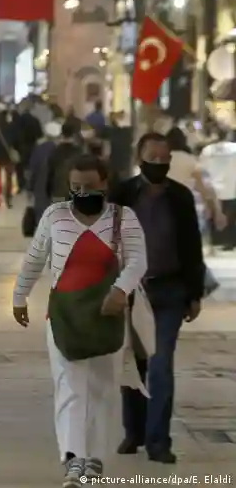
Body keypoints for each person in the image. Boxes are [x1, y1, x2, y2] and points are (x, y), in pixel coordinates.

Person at [12, 154, 147, 487]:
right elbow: (35, 257)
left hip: (107, 317)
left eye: (89, 186)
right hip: (64, 316)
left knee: (103, 389)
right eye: (76, 186)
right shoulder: (55, 215)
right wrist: (19, 295)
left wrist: (121, 289)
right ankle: (73, 460)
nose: (82, 192)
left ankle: (96, 458)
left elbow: (138, 260)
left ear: (105, 183)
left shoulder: (123, 218)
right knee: (69, 389)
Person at [111, 132, 204, 464]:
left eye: (165, 159)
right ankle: (134, 431)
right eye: (153, 158)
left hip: (170, 291)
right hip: (132, 291)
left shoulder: (179, 197)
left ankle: (158, 441)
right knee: (133, 364)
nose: (160, 164)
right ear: (140, 158)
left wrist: (194, 292)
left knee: (161, 364)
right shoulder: (122, 194)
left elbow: (192, 245)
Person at [199, 128, 236, 250]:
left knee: (214, 216)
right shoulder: (234, 149)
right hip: (231, 187)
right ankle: (230, 242)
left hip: (214, 188)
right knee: (231, 217)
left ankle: (215, 242)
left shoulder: (207, 150)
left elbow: (202, 169)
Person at [45, 122, 83, 203]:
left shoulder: (55, 152)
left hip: (58, 192)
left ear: (61, 134)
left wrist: (48, 191)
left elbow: (50, 174)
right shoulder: (79, 153)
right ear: (74, 135)